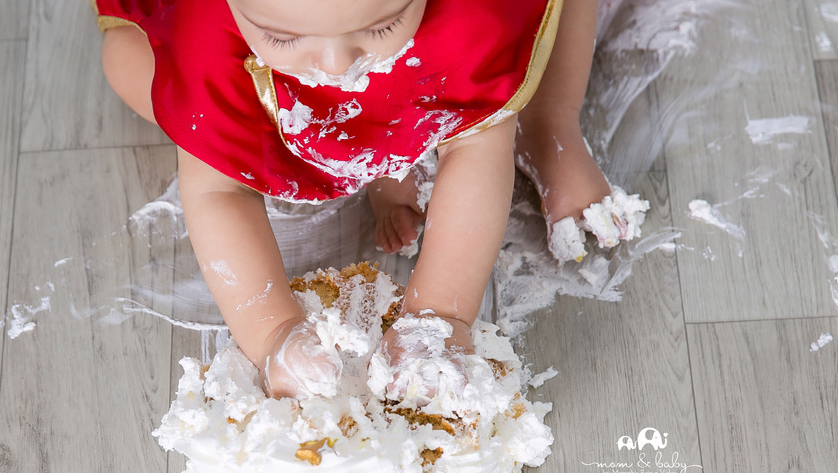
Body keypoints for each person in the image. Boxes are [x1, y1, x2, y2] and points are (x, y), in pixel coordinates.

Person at [99, 0, 629, 398]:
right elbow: (218, 191)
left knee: (546, 20)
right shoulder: (207, 38)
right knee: (127, 59)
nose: (333, 63)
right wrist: (273, 334)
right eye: (282, 36)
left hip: (441, 53)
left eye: (381, 25)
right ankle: (362, 147)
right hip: (260, 92)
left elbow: (475, 146)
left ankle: (550, 128)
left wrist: (440, 316)